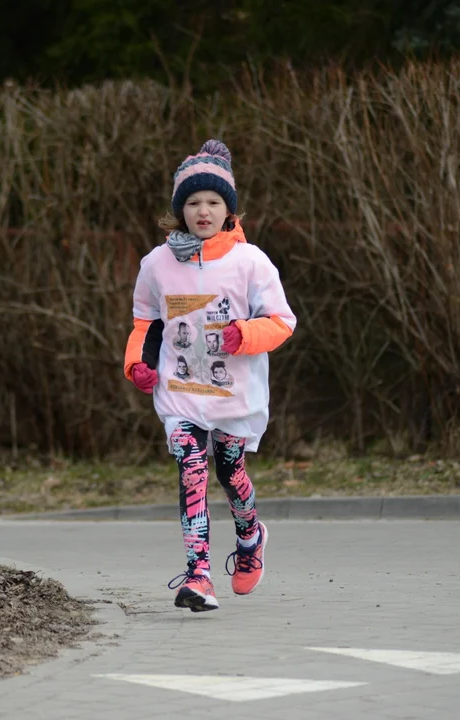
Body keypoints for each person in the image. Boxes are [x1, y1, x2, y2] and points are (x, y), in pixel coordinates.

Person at [123, 139, 296, 612]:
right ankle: (199, 575)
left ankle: (250, 537)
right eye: (194, 202)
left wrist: (245, 333)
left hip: (232, 396)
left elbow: (282, 321)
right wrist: (138, 362)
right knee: (191, 467)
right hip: (179, 393)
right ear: (180, 210)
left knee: (229, 469)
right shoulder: (156, 264)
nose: (203, 211)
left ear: (229, 210)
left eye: (214, 202)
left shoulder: (250, 262)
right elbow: (147, 322)